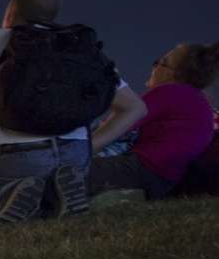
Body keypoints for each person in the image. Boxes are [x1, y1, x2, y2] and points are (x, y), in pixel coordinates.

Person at [0, 0, 146, 226]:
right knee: (56, 184)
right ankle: (56, 194)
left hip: (16, 158)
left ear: (11, 12)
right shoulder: (77, 46)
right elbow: (135, 108)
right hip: (75, 157)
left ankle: (9, 197)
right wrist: (91, 146)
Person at [90, 41, 219, 199]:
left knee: (64, 173)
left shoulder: (171, 92)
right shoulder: (196, 101)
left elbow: (122, 125)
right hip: (164, 181)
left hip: (142, 169)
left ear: (173, 73)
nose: (154, 67)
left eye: (160, 63)